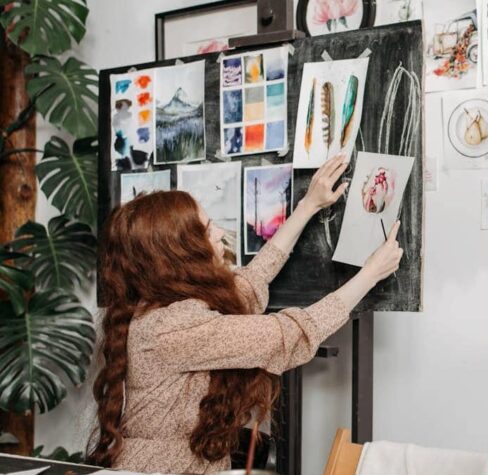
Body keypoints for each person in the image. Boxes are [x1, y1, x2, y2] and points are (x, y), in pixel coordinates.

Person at [87, 155, 401, 473]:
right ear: (181, 253)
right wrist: (369, 275)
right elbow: (288, 334)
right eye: (206, 230)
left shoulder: (165, 305)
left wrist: (308, 206)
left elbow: (250, 283)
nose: (219, 234)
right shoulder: (172, 328)